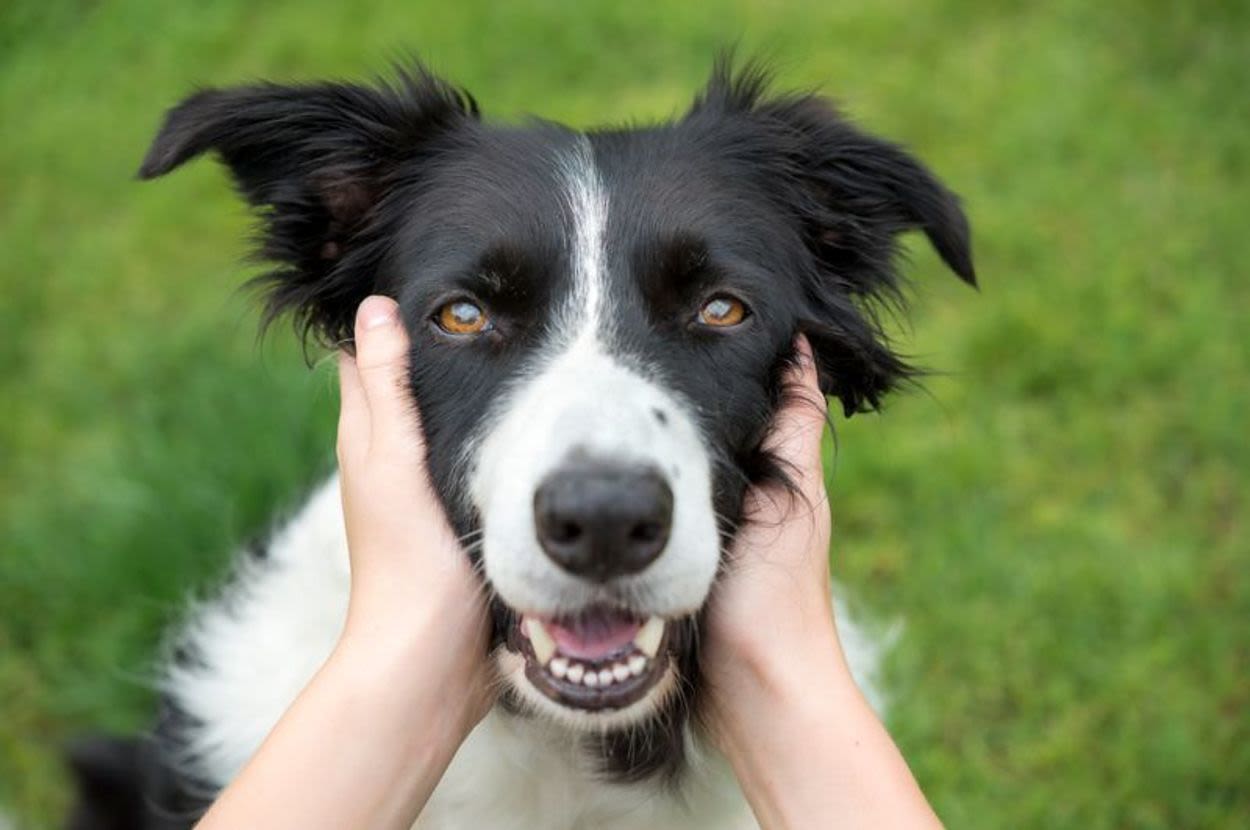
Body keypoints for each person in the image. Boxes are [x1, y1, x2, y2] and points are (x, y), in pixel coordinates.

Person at [195, 296, 943, 829]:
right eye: (464, 316)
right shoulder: (241, 728)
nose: (603, 512)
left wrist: (770, 671)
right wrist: (414, 656)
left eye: (719, 310)